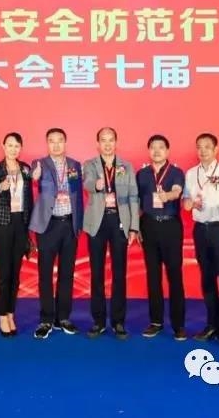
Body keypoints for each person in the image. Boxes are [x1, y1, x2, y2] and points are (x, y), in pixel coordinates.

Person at [82, 127, 140, 339]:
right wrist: (96, 185)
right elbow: (87, 183)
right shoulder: (90, 164)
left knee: (119, 273)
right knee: (96, 273)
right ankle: (98, 321)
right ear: (97, 144)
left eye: (111, 140)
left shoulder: (126, 166)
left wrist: (134, 227)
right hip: (97, 223)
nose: (107, 144)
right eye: (103, 140)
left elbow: (133, 196)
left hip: (119, 221)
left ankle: (118, 322)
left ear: (116, 142)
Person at [183, 133, 219, 348]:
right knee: (207, 279)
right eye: (199, 147)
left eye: (207, 146)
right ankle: (212, 324)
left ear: (216, 149)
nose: (203, 150)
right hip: (201, 230)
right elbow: (186, 200)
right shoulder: (191, 173)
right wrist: (189, 203)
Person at [28, 128, 84, 339]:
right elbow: (33, 177)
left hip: (69, 224)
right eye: (51, 141)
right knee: (45, 275)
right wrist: (34, 176)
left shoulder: (75, 165)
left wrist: (78, 224)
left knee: (66, 274)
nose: (56, 145)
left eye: (60, 140)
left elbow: (78, 196)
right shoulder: (39, 164)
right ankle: (46, 320)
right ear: (47, 144)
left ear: (65, 142)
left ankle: (63, 318)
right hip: (48, 226)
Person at [135, 135, 186, 340]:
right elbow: (138, 203)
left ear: (167, 151)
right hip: (148, 226)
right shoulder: (142, 174)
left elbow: (177, 191)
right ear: (148, 151)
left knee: (174, 275)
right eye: (153, 147)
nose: (157, 151)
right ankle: (155, 321)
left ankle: (178, 325)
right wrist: (136, 226)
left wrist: (168, 196)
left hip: (170, 227)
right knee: (153, 275)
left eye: (161, 147)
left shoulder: (176, 172)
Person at [0, 133, 35, 337]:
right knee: (4, 272)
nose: (13, 149)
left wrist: (29, 225)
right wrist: (1, 187)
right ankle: (1, 315)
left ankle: (10, 313)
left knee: (16, 272)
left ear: (20, 148)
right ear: (3, 146)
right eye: (10, 145)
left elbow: (29, 197)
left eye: (16, 146)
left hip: (20, 222)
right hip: (2, 223)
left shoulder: (26, 168)